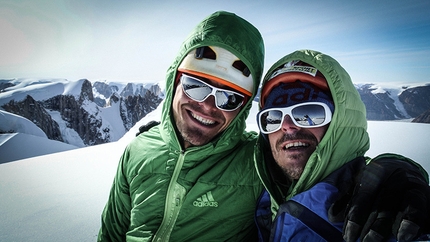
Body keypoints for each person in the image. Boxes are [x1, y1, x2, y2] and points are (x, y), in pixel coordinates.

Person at [98, 11, 265, 241]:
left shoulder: (257, 164)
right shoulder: (138, 150)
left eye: (229, 98)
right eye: (195, 85)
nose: (207, 106)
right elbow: (112, 234)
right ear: (175, 81)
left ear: (243, 108)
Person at [254, 49, 430, 241]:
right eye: (272, 118)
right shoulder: (259, 187)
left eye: (310, 113)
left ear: (340, 122)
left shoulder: (380, 208)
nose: (287, 126)